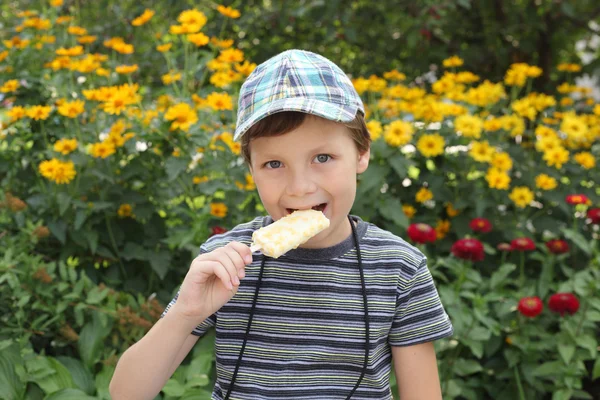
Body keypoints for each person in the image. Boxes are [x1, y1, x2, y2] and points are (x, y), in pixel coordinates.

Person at [110, 49, 453, 400]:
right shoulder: (225, 262)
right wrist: (185, 312)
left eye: (323, 158)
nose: (300, 187)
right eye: (274, 163)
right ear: (251, 169)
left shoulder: (398, 269)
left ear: (361, 153)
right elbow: (125, 393)